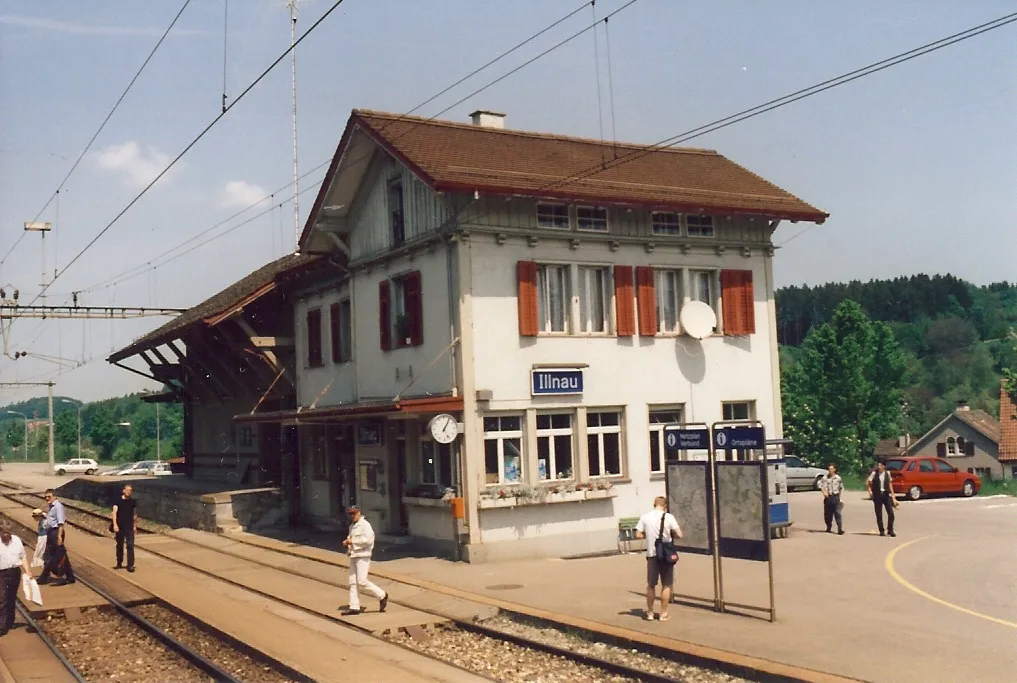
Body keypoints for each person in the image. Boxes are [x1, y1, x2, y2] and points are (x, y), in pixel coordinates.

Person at [634, 496, 683, 622]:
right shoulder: (669, 517)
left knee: (651, 585)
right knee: (666, 584)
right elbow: (679, 534)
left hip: (652, 555)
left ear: (654, 504)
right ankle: (663, 613)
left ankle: (650, 613)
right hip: (666, 555)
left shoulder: (645, 517)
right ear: (665, 506)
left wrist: (649, 535)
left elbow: (638, 534)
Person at [340, 506, 388, 616]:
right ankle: (354, 607)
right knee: (353, 582)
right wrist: (348, 545)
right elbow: (350, 539)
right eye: (350, 514)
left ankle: (382, 595)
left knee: (362, 581)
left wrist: (352, 542)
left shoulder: (365, 525)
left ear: (359, 513)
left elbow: (368, 540)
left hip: (363, 556)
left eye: (354, 513)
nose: (352, 516)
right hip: (354, 555)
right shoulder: (352, 526)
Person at [0, 521, 32, 636]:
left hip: (14, 572)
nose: (5, 535)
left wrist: (27, 570)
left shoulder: (17, 541)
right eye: (3, 533)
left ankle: (10, 621)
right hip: (1, 572)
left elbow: (23, 556)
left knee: (11, 596)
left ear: (10, 533)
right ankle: (2, 626)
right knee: (2, 598)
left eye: (7, 533)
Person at [37, 489, 75, 585]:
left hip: (56, 532)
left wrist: (59, 536)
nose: (47, 498)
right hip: (51, 532)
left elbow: (61, 522)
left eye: (49, 496)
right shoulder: (52, 506)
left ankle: (43, 577)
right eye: (45, 497)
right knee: (60, 554)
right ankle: (70, 577)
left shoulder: (58, 507)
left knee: (53, 555)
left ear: (55, 496)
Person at [867, 461, 898, 537]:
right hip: (877, 495)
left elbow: (890, 484)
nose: (879, 467)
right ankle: (881, 530)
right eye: (878, 465)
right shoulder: (874, 473)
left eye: (880, 465)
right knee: (879, 514)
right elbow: (868, 482)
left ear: (884, 466)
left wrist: (893, 495)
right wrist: (870, 491)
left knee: (891, 514)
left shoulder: (887, 473)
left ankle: (890, 530)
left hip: (886, 494)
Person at [112, 484, 137, 572]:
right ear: (123, 491)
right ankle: (119, 562)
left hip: (129, 526)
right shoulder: (117, 501)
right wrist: (115, 525)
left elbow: (134, 514)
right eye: (127, 490)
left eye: (130, 490)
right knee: (120, 545)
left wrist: (134, 526)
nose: (128, 492)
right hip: (120, 526)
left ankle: (130, 565)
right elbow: (114, 513)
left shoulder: (132, 502)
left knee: (130, 545)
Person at [820, 463, 844, 535]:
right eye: (829, 469)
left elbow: (840, 488)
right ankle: (828, 526)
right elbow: (820, 485)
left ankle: (840, 529)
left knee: (838, 513)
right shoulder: (825, 478)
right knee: (828, 514)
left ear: (834, 469)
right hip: (828, 497)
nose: (830, 470)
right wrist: (824, 492)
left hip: (835, 497)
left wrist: (840, 498)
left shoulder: (838, 478)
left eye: (831, 469)